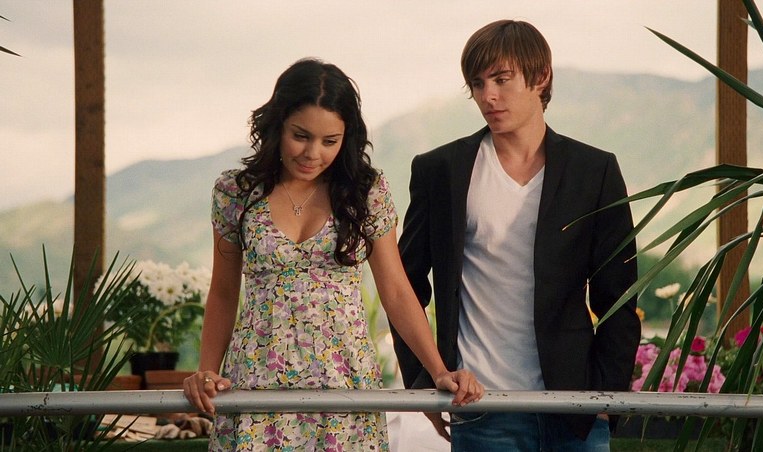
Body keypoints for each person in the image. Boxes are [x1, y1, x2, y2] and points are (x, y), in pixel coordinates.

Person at [182, 58, 483, 451]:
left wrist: (438, 371)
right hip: (256, 380)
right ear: (277, 125)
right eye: (300, 136)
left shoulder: (365, 192)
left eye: (329, 141)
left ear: (347, 138)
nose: (313, 153)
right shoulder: (235, 192)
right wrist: (207, 371)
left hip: (344, 381)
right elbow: (223, 292)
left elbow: (395, 291)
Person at [390, 20, 641, 451]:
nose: (488, 96)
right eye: (477, 83)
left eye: (501, 79)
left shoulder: (593, 171)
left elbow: (618, 294)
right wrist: (422, 381)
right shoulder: (441, 171)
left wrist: (606, 396)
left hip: (575, 410)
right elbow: (406, 283)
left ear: (540, 76)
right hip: (481, 406)